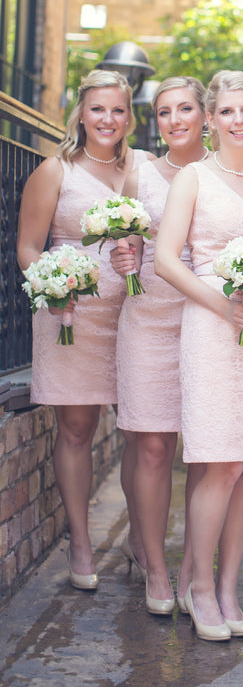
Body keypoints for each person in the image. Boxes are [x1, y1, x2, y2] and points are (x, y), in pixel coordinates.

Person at [154, 70, 243, 642]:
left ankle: (228, 588)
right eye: (227, 112)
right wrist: (222, 303)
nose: (238, 120)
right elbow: (168, 260)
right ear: (210, 120)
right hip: (213, 327)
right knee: (219, 462)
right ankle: (197, 587)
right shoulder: (192, 178)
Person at [16, 69, 148, 590]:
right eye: (98, 109)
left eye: (118, 110)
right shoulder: (55, 171)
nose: (108, 120)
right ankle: (81, 540)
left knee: (143, 432)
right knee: (76, 428)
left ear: (129, 116)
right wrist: (51, 286)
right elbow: (29, 247)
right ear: (81, 112)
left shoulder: (140, 169)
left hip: (133, 315)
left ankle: (142, 540)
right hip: (69, 315)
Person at [112, 76, 208, 616]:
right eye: (164, 112)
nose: (174, 120)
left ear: (204, 114)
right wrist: (123, 254)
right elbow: (123, 237)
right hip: (147, 315)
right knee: (152, 446)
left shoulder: (220, 170)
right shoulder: (140, 172)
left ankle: (195, 566)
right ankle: (153, 565)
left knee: (200, 448)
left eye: (185, 109)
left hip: (205, 319)